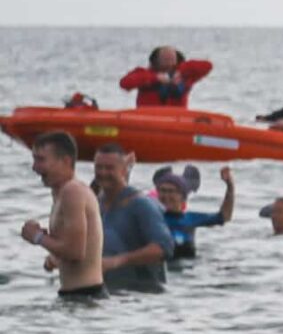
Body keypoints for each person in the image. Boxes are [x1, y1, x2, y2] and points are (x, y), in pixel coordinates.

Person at [20, 131, 104, 298]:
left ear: (65, 161)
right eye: (34, 159)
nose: (34, 167)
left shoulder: (72, 191)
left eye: (41, 160)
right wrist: (55, 257)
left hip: (85, 297)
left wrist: (38, 237)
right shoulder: (60, 192)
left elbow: (75, 252)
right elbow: (80, 250)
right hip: (76, 296)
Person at [89, 142, 173, 292]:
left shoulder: (142, 205)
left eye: (109, 168)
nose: (103, 173)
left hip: (142, 296)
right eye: (98, 168)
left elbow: (163, 248)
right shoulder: (96, 203)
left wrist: (118, 261)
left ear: (123, 170)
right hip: (107, 294)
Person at [118, 46, 212, 108]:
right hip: (148, 121)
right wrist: (156, 78)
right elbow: (124, 83)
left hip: (177, 122)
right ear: (156, 61)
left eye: (172, 60)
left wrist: (180, 71)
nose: (169, 64)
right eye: (165, 60)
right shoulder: (144, 74)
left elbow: (207, 66)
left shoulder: (186, 76)